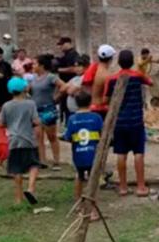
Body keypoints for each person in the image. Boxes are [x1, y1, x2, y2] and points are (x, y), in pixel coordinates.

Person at [105, 49, 153, 197]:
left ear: (118, 62)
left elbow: (106, 100)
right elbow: (150, 82)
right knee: (138, 153)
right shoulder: (137, 76)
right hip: (136, 121)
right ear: (132, 61)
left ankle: (123, 187)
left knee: (121, 153)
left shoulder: (112, 79)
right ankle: (140, 186)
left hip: (119, 122)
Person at [0, 77, 40, 205]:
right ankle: (31, 188)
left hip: (13, 141)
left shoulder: (6, 106)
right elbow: (36, 121)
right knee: (34, 164)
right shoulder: (30, 104)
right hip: (28, 139)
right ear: (24, 89)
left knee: (16, 169)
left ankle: (18, 198)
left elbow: (1, 123)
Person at [62, 91, 103, 205]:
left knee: (79, 177)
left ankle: (78, 202)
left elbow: (67, 137)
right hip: (93, 154)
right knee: (93, 179)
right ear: (90, 102)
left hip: (78, 154)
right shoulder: (96, 117)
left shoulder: (72, 119)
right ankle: (93, 206)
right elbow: (103, 134)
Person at [30, 54, 67, 170]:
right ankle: (42, 160)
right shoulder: (34, 79)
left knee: (51, 136)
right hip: (36, 110)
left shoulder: (51, 77)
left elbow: (64, 86)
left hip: (48, 109)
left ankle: (56, 161)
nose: (33, 66)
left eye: (35, 64)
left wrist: (56, 98)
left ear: (41, 65)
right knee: (38, 136)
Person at [82, 44, 116, 122]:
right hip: (101, 110)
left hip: (91, 107)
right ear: (111, 59)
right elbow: (107, 98)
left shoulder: (93, 68)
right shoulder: (107, 75)